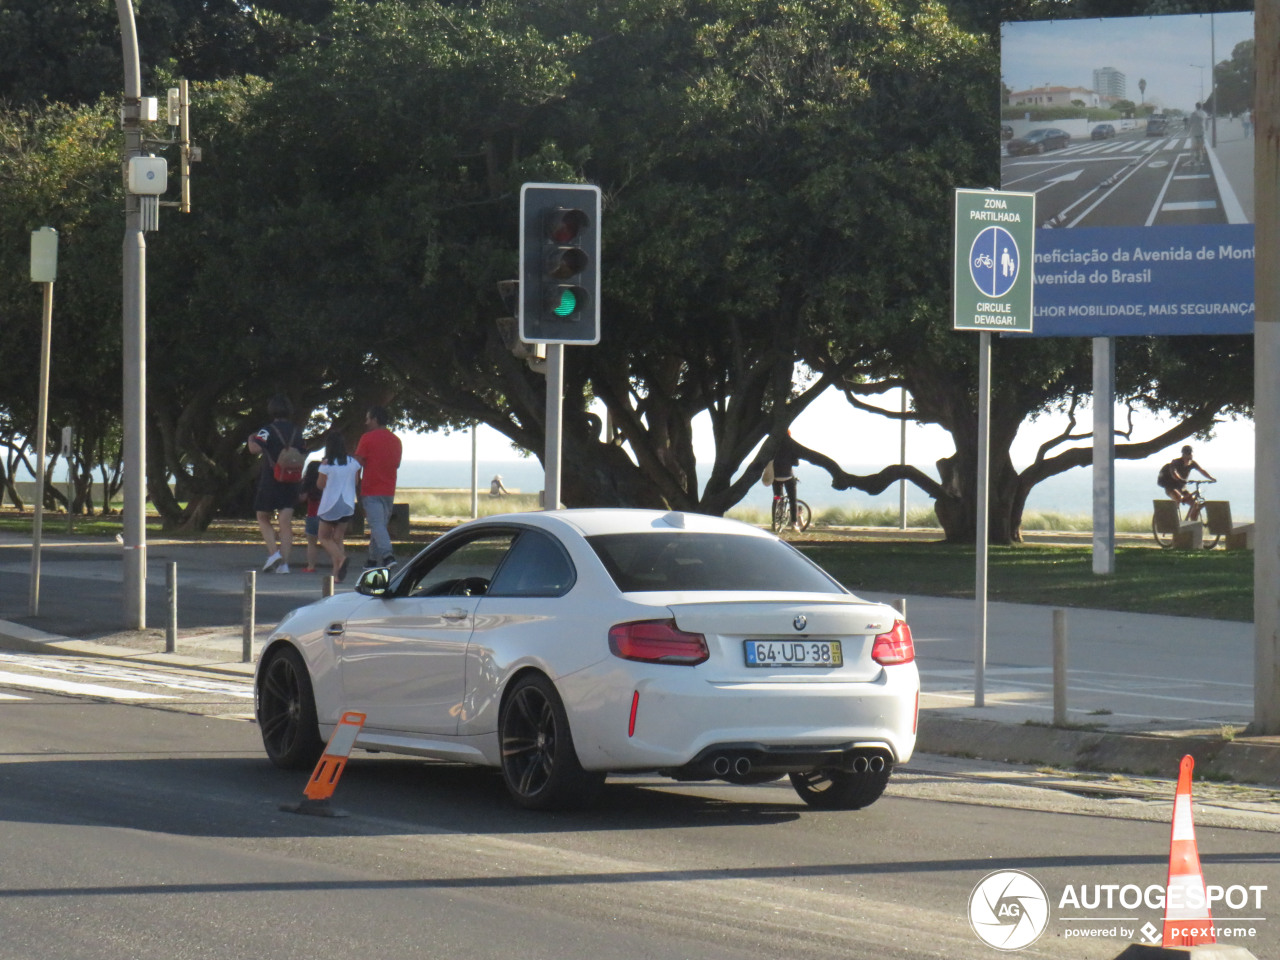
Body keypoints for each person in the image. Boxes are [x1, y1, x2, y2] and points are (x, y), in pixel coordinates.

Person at [246, 394, 306, 574]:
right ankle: (284, 565)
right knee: (285, 522)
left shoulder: (267, 430)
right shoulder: (297, 431)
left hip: (271, 479)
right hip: (292, 480)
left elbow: (254, 449)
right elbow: (303, 451)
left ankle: (273, 554)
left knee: (263, 516)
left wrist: (250, 438)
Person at [354, 405, 403, 568]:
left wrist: (356, 486)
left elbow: (357, 464)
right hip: (388, 490)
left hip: (371, 489)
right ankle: (372, 560)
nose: (366, 422)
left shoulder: (366, 439)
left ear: (375, 419)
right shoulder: (396, 441)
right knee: (379, 525)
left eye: (368, 418)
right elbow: (396, 464)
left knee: (377, 525)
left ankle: (388, 556)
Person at [316, 431, 362, 583]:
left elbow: (320, 484)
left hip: (331, 504)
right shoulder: (353, 462)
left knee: (323, 536)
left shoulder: (327, 463)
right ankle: (337, 574)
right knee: (338, 537)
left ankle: (341, 558)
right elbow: (356, 482)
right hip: (348, 504)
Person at [1158, 444, 1216, 521]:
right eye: (1187, 454)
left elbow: (1201, 470)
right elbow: (1174, 473)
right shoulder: (1175, 462)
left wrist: (1211, 478)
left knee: (1194, 504)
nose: (1188, 456)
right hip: (1171, 487)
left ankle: (1192, 523)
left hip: (1182, 488)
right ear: (1183, 454)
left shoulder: (1192, 463)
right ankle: (1173, 521)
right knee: (1178, 498)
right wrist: (1180, 479)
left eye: (1190, 454)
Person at [771, 431, 802, 531]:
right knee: (793, 499)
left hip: (775, 477)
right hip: (788, 476)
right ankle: (794, 523)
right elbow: (796, 463)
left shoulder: (773, 446)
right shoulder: (791, 447)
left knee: (776, 497)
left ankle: (774, 522)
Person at [299, 460, 323, 573]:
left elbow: (302, 498)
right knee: (330, 541)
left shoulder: (307, 484)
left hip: (312, 514)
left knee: (311, 543)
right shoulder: (325, 483)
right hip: (325, 516)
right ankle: (338, 561)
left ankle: (311, 566)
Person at [1188, 102, 1207, 167]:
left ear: (1196, 107)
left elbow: (1190, 123)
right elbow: (1206, 123)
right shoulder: (1204, 113)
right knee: (1201, 147)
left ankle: (1192, 160)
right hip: (1201, 132)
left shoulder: (1193, 114)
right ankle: (1200, 160)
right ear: (1201, 107)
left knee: (1193, 148)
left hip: (1194, 133)